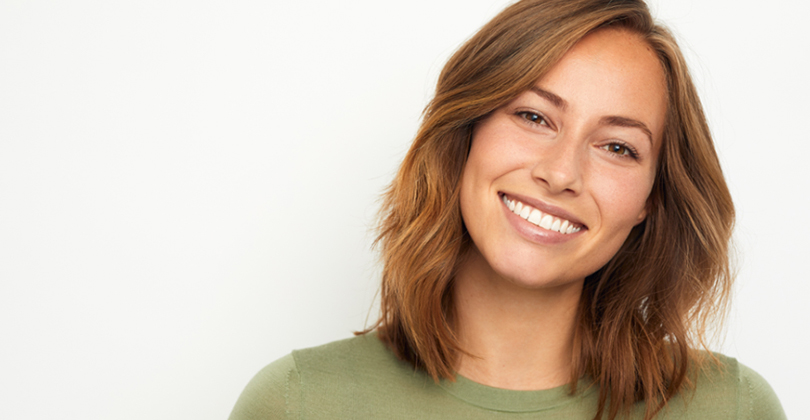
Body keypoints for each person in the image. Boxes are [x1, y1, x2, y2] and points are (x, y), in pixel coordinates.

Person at [229, 0, 786, 418]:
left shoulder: (731, 408)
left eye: (618, 147)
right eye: (533, 117)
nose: (561, 173)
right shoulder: (298, 402)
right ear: (466, 131)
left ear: (649, 201)